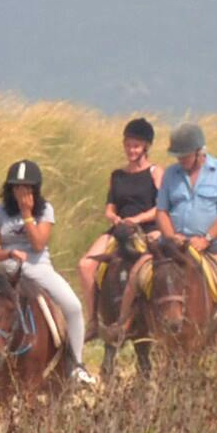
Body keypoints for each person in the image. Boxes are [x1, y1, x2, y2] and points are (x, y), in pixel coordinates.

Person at [0, 160, 91, 382]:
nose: (21, 192)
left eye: (27, 188)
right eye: (16, 188)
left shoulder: (45, 210)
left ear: (35, 189)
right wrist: (9, 254)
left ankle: (76, 366)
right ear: (9, 188)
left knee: (73, 307)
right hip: (5, 272)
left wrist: (27, 213)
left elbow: (39, 244)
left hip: (39, 268)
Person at [154, 123, 217, 334]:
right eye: (178, 156)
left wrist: (205, 239)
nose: (180, 161)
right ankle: (128, 324)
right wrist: (170, 236)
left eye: (185, 156)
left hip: (211, 244)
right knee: (139, 271)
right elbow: (161, 211)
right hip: (173, 244)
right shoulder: (171, 174)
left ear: (200, 152)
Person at [78, 117, 165, 308]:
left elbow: (161, 207)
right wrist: (112, 216)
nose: (131, 150)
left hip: (148, 227)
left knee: (158, 265)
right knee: (85, 265)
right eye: (128, 145)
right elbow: (110, 206)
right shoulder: (117, 175)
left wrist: (137, 219)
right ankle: (93, 317)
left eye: (136, 146)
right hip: (120, 228)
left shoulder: (155, 172)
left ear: (145, 147)